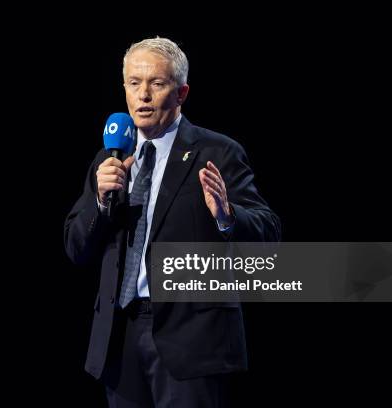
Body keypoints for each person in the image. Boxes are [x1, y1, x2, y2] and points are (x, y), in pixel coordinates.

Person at [64, 37, 281, 408]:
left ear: (181, 93)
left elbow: (269, 233)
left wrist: (228, 217)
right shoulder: (110, 158)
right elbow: (75, 248)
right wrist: (100, 202)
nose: (143, 95)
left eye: (157, 83)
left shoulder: (217, 152)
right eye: (134, 83)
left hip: (191, 341)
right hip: (120, 339)